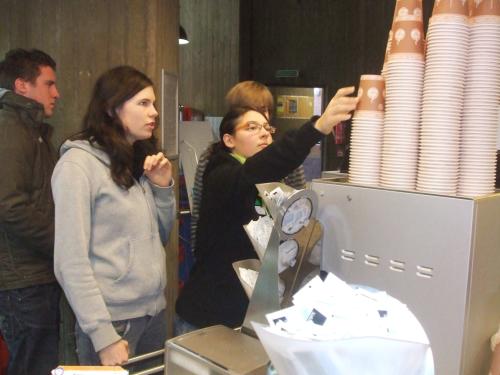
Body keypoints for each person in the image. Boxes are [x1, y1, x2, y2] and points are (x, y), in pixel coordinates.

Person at [175, 86, 358, 333]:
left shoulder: (269, 180)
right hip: (209, 315)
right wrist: (316, 128)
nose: (263, 133)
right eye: (251, 127)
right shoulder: (222, 174)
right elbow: (257, 170)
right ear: (229, 140)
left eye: (266, 127)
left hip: (248, 312)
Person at [51, 66, 175, 365]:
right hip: (112, 322)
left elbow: (160, 237)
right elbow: (70, 261)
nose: (154, 113)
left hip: (153, 313)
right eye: (143, 103)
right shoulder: (78, 166)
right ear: (111, 108)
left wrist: (162, 189)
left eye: (154, 104)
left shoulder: (138, 160)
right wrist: (102, 334)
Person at [189, 81, 306, 265]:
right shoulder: (213, 157)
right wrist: (199, 252)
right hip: (226, 257)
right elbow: (199, 208)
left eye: (264, 110)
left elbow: (300, 204)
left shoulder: (284, 157)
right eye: (251, 111)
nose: (261, 116)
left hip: (277, 255)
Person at [0, 48, 61, 375]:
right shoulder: (10, 130)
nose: (57, 93)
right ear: (22, 86)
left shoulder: (31, 130)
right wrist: (61, 243)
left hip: (34, 274)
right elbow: (9, 206)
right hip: (22, 280)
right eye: (49, 84)